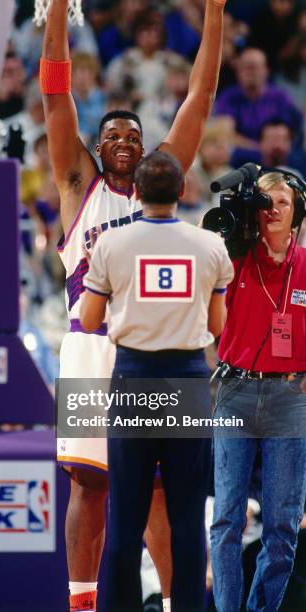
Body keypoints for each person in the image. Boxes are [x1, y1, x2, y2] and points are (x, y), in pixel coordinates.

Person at [40, 1, 227, 610]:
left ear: (151, 153)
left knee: (156, 498)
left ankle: (177, 602)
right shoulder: (77, 183)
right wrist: (60, 14)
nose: (123, 142)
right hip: (92, 346)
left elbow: (200, 95)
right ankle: (82, 601)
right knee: (89, 487)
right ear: (96, 147)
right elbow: (56, 95)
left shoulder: (160, 187)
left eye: (135, 137)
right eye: (112, 136)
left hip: (151, 350)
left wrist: (215, 13)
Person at [80, 150, 234, 612]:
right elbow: (219, 325)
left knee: (125, 518)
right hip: (187, 378)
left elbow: (88, 321)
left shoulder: (110, 244)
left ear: (138, 193)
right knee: (187, 519)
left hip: (134, 378)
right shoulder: (210, 246)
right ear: (183, 191)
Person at [210, 170, 306, 611]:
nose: (272, 210)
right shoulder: (234, 255)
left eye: (282, 202)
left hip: (291, 397)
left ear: (298, 213)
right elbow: (201, 252)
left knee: (283, 527)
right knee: (227, 517)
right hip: (235, 389)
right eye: (264, 202)